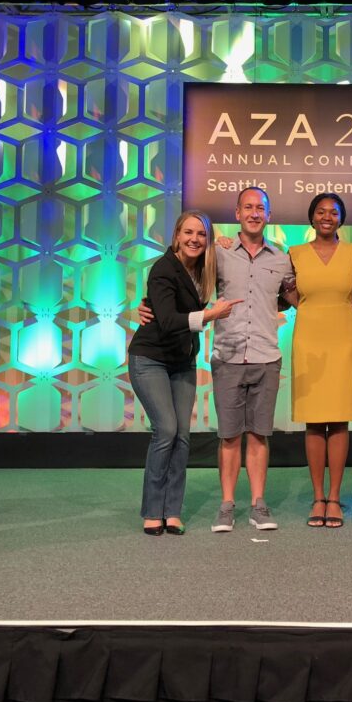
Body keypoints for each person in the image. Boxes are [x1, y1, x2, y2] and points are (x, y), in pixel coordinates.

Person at [140, 187, 295, 532]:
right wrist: (145, 304)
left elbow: (293, 296)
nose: (255, 213)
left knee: (258, 435)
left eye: (261, 208)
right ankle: (227, 505)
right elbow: (178, 283)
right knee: (227, 436)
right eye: (248, 207)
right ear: (237, 213)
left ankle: (259, 504)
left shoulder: (282, 258)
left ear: (268, 215)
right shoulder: (217, 254)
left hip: (266, 357)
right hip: (226, 357)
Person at [128, 210, 242, 536]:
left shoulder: (203, 267)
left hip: (183, 361)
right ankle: (153, 510)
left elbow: (235, 256)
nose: (194, 239)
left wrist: (224, 242)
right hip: (150, 359)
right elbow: (166, 320)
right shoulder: (164, 269)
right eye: (188, 233)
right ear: (177, 235)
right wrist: (210, 315)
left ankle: (172, 511)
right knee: (165, 429)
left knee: (182, 436)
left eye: (201, 234)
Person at [290, 193, 352, 528]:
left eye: (333, 212)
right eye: (320, 212)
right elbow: (284, 291)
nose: (326, 217)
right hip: (308, 340)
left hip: (343, 340)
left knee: (339, 419)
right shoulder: (294, 254)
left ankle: (334, 497)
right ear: (311, 217)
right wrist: (303, 305)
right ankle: (317, 496)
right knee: (313, 420)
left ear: (341, 218)